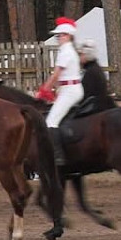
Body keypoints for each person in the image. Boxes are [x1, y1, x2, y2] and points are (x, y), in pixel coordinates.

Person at [38, 17, 84, 166]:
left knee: (51, 121)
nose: (59, 37)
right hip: (67, 88)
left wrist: (45, 89)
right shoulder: (67, 50)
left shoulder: (66, 51)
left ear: (68, 35)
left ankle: (58, 156)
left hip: (70, 90)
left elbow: (56, 74)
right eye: (58, 35)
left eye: (61, 35)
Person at [78, 39, 115, 113]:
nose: (79, 57)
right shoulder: (94, 68)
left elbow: (85, 94)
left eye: (81, 54)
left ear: (87, 55)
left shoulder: (91, 71)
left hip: (94, 108)